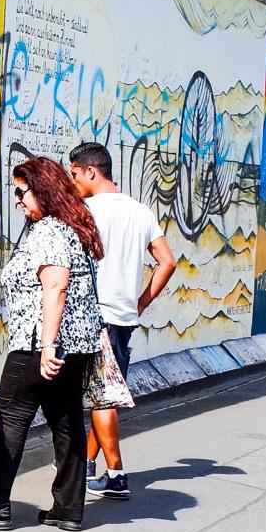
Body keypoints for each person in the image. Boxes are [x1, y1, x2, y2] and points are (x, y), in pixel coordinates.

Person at [0, 157, 104, 532]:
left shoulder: (50, 230)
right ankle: (68, 509)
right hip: (77, 346)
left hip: (39, 346)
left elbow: (56, 287)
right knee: (66, 422)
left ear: (43, 190)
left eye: (22, 191)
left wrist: (48, 346)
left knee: (10, 420)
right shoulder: (73, 227)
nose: (17, 200)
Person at [66, 142, 173, 500]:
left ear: (91, 172)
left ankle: (115, 474)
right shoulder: (140, 211)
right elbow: (167, 262)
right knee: (105, 393)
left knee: (102, 398)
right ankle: (88, 466)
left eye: (75, 174)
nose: (73, 181)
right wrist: (140, 303)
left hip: (94, 316)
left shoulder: (85, 210)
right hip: (124, 317)